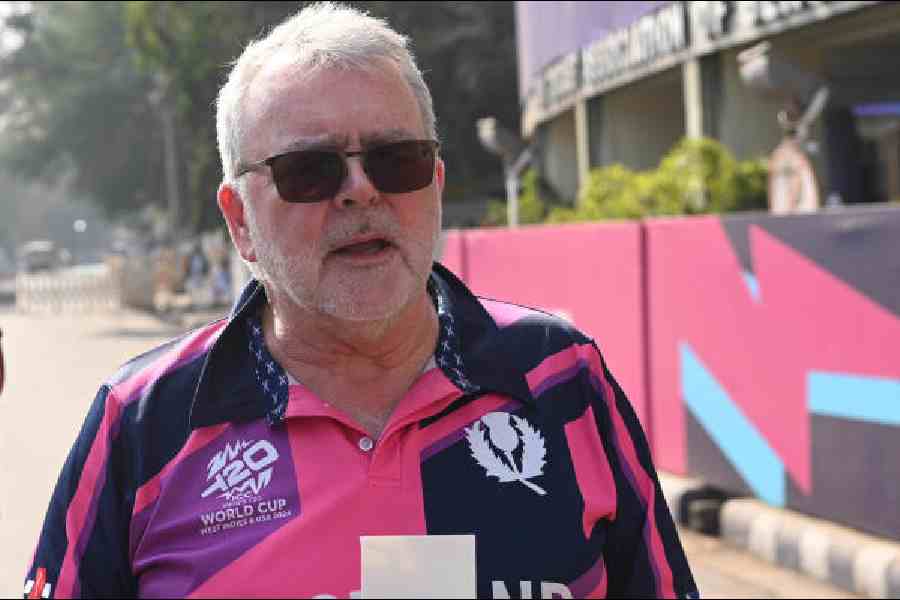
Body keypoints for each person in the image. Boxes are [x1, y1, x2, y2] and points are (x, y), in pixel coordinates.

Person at [25, 3, 698, 598]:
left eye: (393, 159)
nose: (360, 191)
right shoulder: (145, 422)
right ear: (239, 222)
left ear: (433, 183)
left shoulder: (559, 376)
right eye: (310, 169)